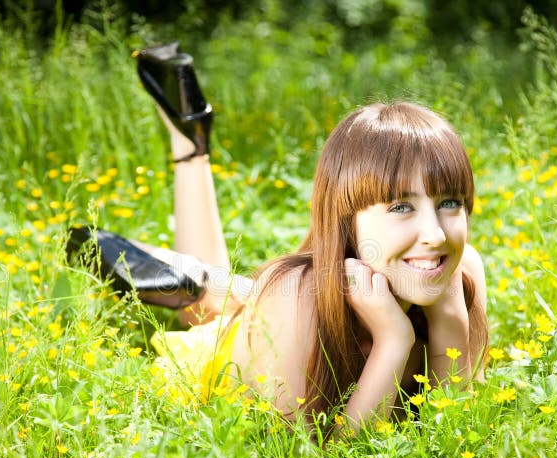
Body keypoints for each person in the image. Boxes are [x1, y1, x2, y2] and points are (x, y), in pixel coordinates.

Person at [78, 41, 489, 431]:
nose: (435, 234)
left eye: (449, 202)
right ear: (347, 218)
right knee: (225, 317)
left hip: (281, 302)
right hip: (230, 359)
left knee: (237, 293)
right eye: (401, 207)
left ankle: (199, 277)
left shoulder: (459, 267)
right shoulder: (296, 304)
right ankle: (193, 255)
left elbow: (450, 433)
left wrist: (450, 320)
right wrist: (393, 339)